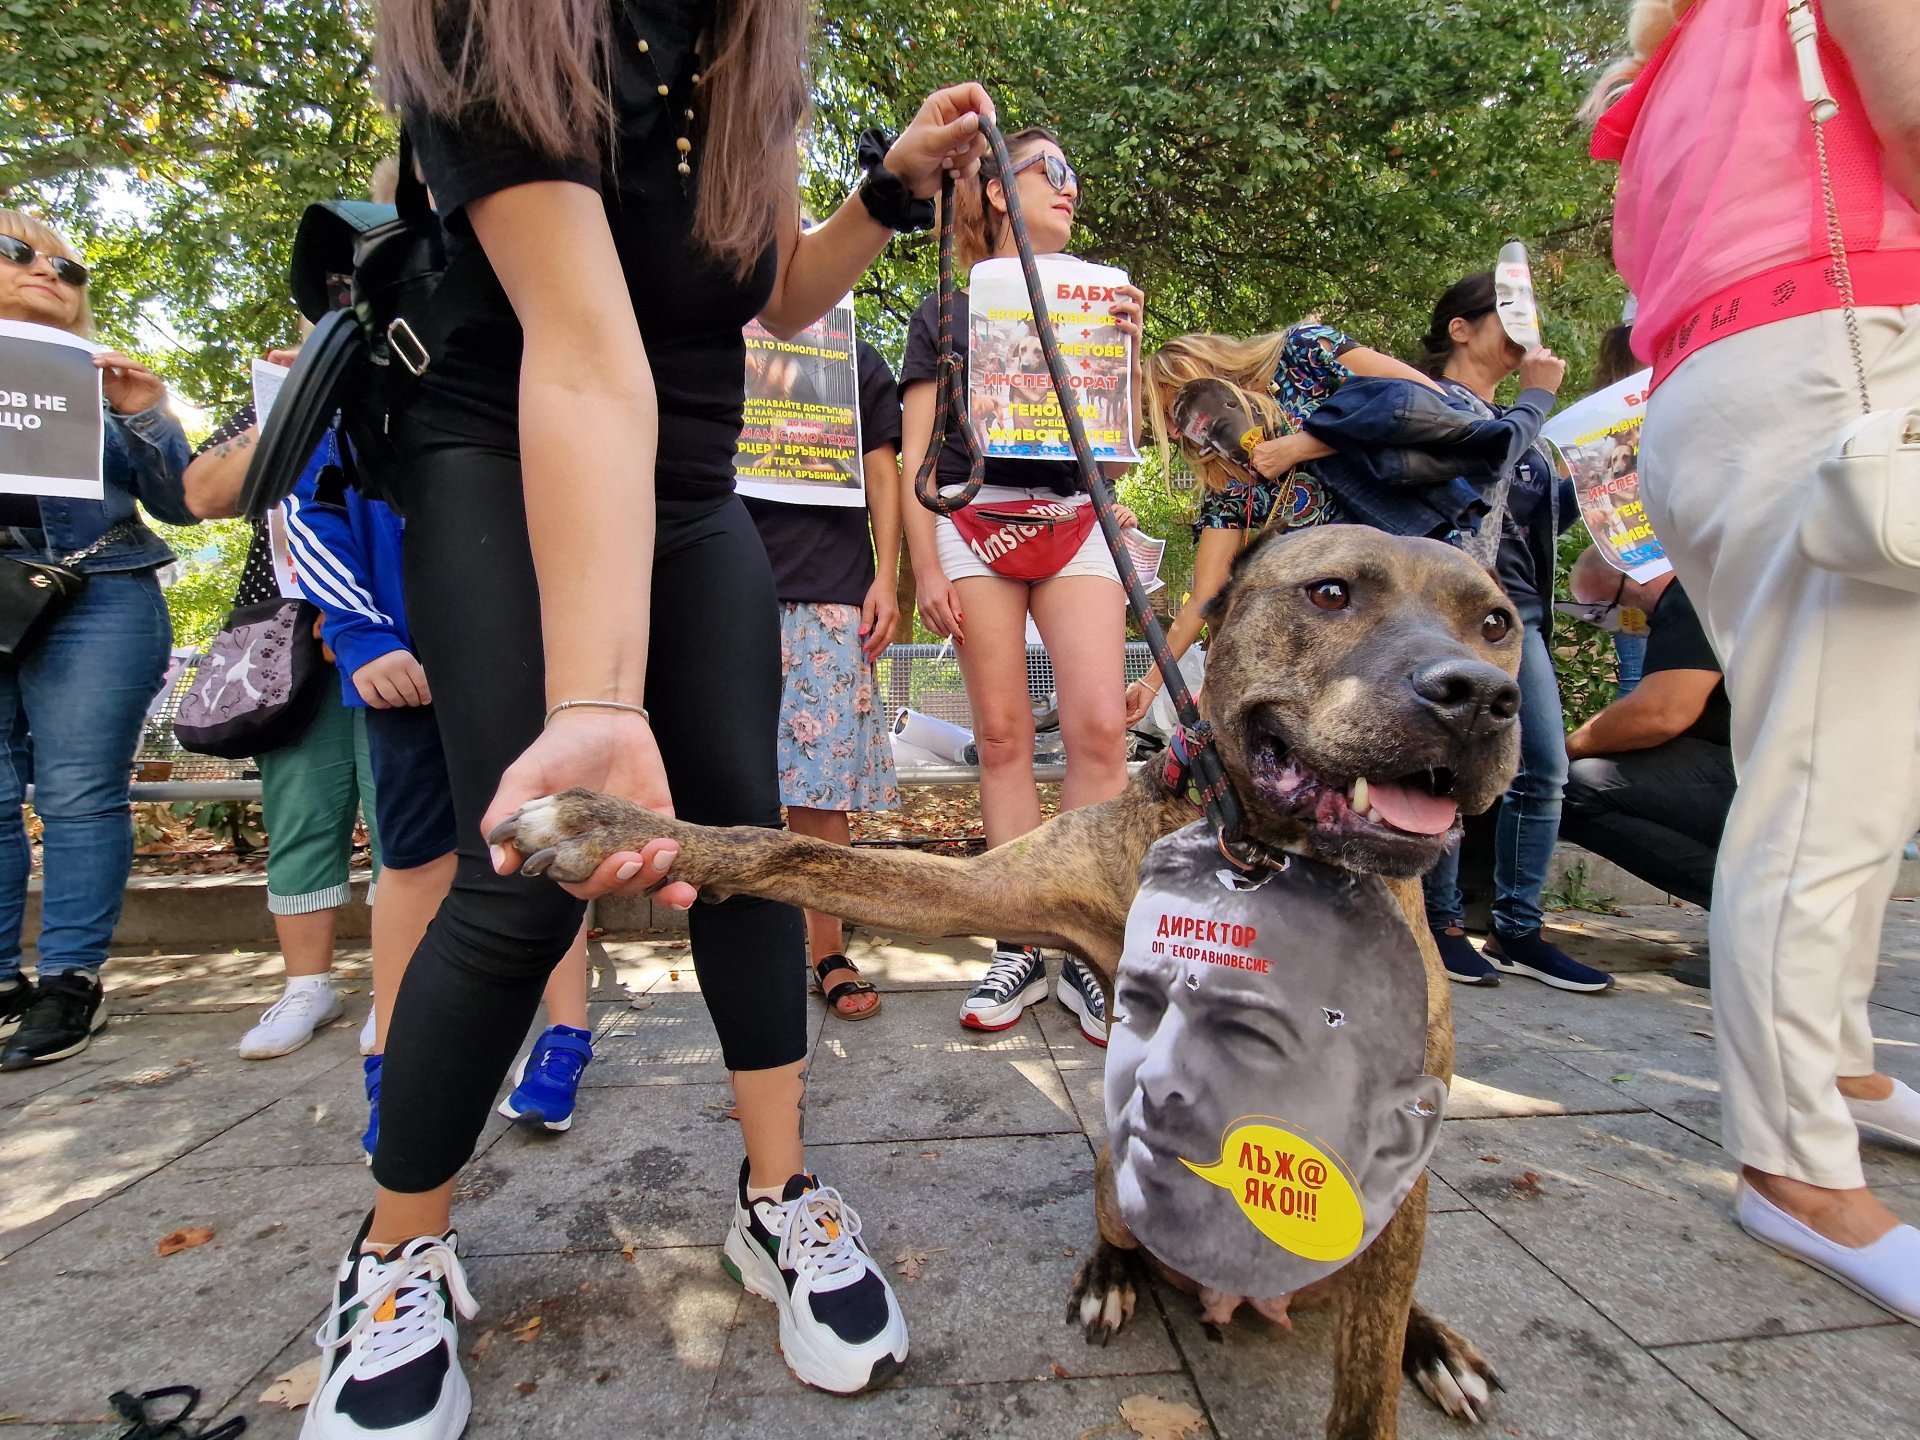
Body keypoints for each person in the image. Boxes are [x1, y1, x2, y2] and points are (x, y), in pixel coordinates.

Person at [296, 0, 995, 1427]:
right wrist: (598, 700)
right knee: (527, 868)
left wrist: (886, 186)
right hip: (504, 441)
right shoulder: (490, 24)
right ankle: (394, 1250)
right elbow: (582, 345)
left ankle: (778, 1192)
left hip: (692, 475)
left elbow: (781, 299)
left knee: (744, 844)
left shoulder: (744, 55)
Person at [1589, 0, 1920, 1323]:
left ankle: (1838, 1067)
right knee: (1832, 775)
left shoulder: (1672, 55)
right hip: (1833, 358)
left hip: (1713, 391)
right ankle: (1795, 1166)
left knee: (1850, 752)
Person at [185, 394, 598, 1129]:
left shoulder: (529, 359)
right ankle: (399, 1061)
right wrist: (359, 634)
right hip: (404, 667)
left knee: (551, 848)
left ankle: (565, 1037)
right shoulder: (342, 391)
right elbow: (309, 511)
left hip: (535, 658)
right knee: (413, 861)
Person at [899, 126, 1141, 1044]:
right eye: (1055, 171)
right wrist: (924, 563)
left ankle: (1084, 944)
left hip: (1075, 514)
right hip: (972, 516)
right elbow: (918, 453)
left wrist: (1129, 346)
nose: (1072, 188)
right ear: (998, 188)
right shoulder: (948, 311)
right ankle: (1019, 942)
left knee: (1098, 729)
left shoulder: (1103, 297)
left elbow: (1119, 446)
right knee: (1000, 736)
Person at [0, 212, 195, 1070]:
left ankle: (70, 978)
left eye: (68, 266)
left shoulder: (103, 380)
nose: (49, 271)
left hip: (96, 590)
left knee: (79, 792)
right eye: (18, 252)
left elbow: (186, 501)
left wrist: (149, 413)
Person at [1410, 273, 1612, 994]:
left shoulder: (1523, 430)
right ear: (1459, 329)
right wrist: (1538, 399)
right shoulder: (1434, 404)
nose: (1524, 331)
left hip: (1522, 615)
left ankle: (1520, 927)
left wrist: (1599, 483)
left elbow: (1528, 522)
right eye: (1505, 315)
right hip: (1459, 613)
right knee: (1445, 767)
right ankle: (1440, 922)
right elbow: (1475, 469)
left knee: (1544, 770)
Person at [183, 406, 386, 1062]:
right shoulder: (269, 400)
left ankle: (401, 983)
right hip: (288, 639)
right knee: (299, 814)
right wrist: (293, 399)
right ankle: (306, 987)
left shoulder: (411, 377)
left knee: (402, 818)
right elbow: (202, 495)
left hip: (396, 627)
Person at [1127, 325, 1446, 727]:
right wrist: (1152, 682)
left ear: (1193, 375)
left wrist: (1301, 446)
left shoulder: (1303, 352)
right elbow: (1204, 598)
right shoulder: (1227, 476)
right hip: (1340, 634)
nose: (1175, 432)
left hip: (1420, 579)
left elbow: (1424, 400)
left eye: (1172, 412)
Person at [742, 337, 902, 1021]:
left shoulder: (854, 355)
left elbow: (883, 469)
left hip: (832, 585)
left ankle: (827, 950)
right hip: (722, 575)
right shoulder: (718, 336)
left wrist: (886, 575)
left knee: (818, 786)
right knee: (729, 778)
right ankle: (744, 950)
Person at [1560, 550, 1733, 949]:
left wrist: (1563, 751)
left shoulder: (1690, 599)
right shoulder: (1702, 590)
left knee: (1572, 786)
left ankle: (1756, 916)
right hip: (1766, 767)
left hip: (1772, 776)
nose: (1610, 624)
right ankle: (1757, 912)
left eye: (1604, 609)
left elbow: (1660, 715)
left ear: (1633, 579)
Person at [1587, 296, 1649, 695]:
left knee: (1635, 671)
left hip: (1626, 559)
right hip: (1637, 558)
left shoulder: (1595, 416)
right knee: (1637, 672)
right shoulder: (1611, 418)